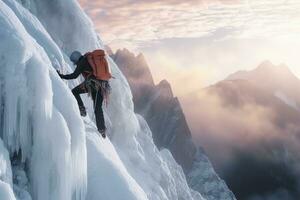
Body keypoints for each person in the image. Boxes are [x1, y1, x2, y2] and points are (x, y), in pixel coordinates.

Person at [57, 50, 111, 138]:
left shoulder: (82, 62)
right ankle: (102, 130)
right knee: (98, 108)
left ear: (75, 60)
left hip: (93, 85)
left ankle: (82, 109)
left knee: (75, 91)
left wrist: (61, 76)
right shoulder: (88, 59)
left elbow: (74, 76)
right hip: (102, 86)